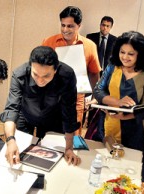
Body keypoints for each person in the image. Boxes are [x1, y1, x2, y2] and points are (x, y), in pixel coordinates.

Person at [93, 31, 144, 182]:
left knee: (128, 173)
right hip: (107, 122)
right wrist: (117, 102)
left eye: (131, 54)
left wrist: (125, 116)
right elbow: (98, 90)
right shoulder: (113, 67)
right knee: (103, 167)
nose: (125, 57)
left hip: (135, 129)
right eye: (122, 52)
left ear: (140, 54)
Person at [0, 46, 80, 166]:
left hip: (53, 116)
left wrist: (69, 148)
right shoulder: (19, 74)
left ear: (55, 70)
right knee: (20, 155)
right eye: (35, 75)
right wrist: (10, 140)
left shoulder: (67, 75)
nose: (40, 80)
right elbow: (12, 110)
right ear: (31, 66)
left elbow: (69, 111)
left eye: (46, 76)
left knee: (52, 156)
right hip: (25, 115)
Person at [42, 6, 101, 135]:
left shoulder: (89, 46)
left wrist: (93, 95)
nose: (65, 30)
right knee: (48, 135)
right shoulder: (49, 42)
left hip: (76, 99)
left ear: (79, 25)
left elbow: (94, 73)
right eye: (63, 25)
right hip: (51, 97)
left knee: (73, 137)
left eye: (70, 26)